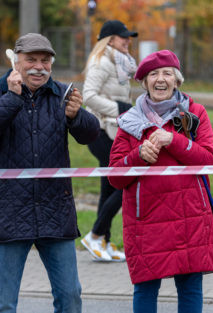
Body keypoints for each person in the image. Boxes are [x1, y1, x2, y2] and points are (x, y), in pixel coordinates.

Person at [0, 33, 100, 313]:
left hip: (55, 210)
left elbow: (91, 135)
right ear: (16, 63)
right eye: (31, 60)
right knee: (3, 303)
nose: (38, 67)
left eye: (45, 61)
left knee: (70, 296)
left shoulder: (61, 93)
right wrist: (12, 98)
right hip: (7, 212)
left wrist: (77, 116)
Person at [108, 50, 213, 313]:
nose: (161, 79)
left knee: (190, 287)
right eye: (153, 75)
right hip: (145, 221)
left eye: (167, 73)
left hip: (189, 217)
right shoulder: (129, 122)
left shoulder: (195, 113)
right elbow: (114, 176)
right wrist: (138, 156)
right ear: (145, 82)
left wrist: (175, 141)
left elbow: (209, 161)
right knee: (146, 288)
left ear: (177, 80)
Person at [81, 20, 138, 262]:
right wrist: (120, 109)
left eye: (128, 36)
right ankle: (95, 235)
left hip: (113, 130)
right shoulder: (102, 63)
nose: (127, 40)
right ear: (110, 40)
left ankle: (102, 240)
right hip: (101, 131)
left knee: (109, 186)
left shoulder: (120, 63)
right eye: (122, 37)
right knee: (123, 183)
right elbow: (88, 96)